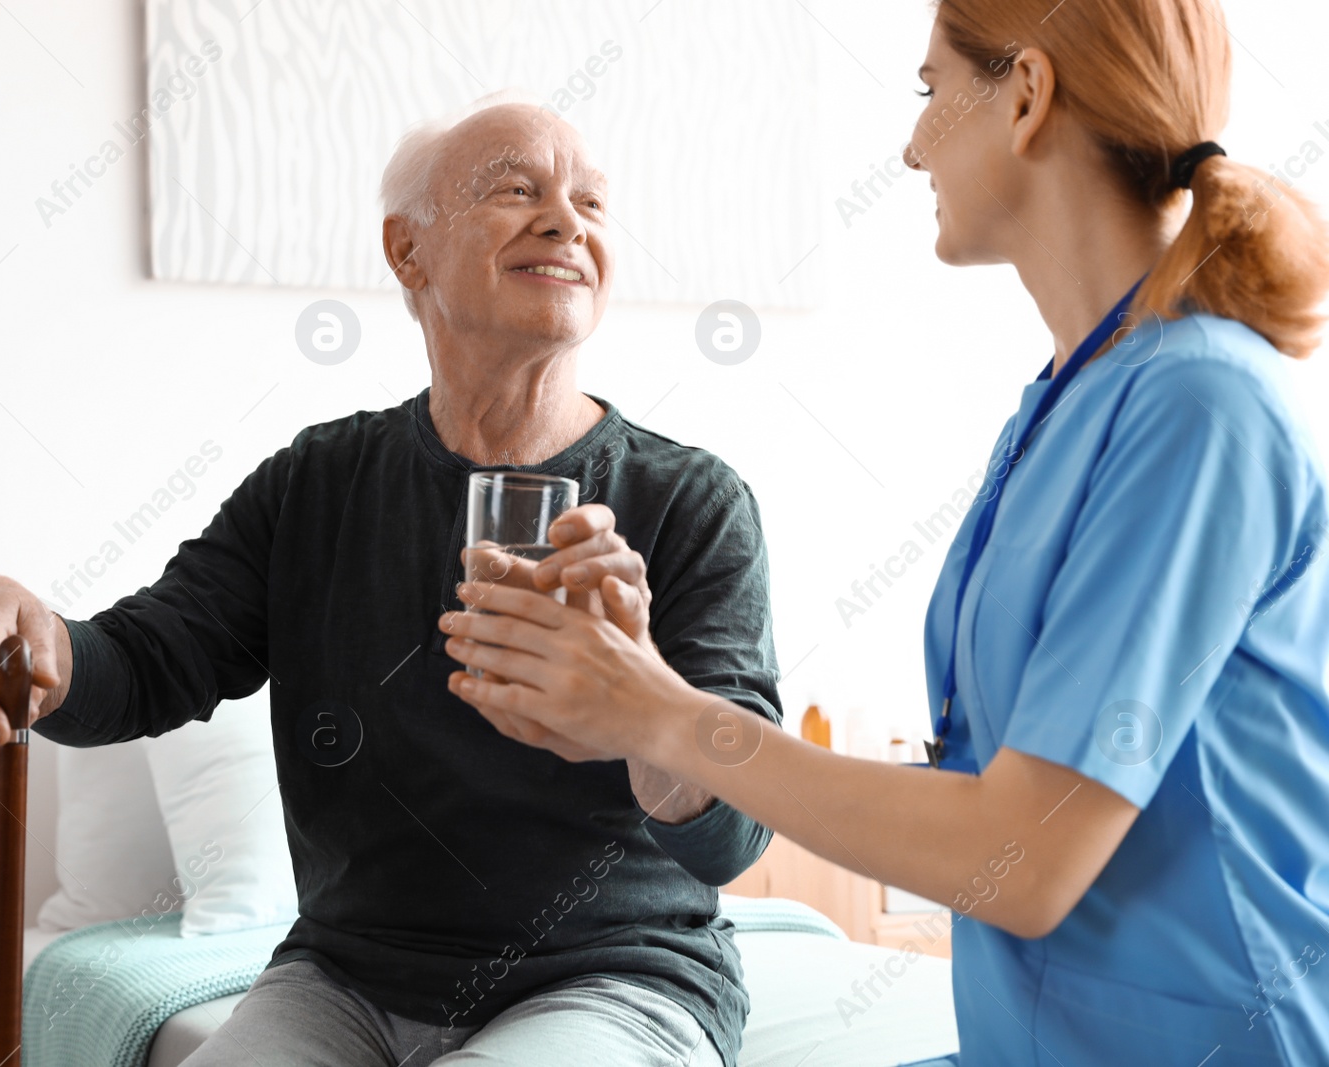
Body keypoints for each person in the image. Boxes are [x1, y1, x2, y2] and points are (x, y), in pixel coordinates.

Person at [439, 2, 1329, 1064]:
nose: (911, 147)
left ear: (1028, 95)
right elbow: (985, 794)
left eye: (928, 92)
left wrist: (663, 710)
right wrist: (634, 713)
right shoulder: (1058, 405)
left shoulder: (1199, 407)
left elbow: (1022, 853)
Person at [0, 95, 780, 1067]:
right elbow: (146, 660)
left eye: (590, 201)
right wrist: (29, 625)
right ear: (407, 251)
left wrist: (645, 706)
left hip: (618, 975)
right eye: (517, 188)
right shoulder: (316, 484)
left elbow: (733, 836)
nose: (566, 221)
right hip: (347, 975)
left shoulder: (692, 500)